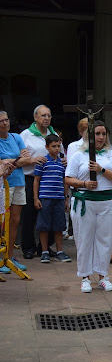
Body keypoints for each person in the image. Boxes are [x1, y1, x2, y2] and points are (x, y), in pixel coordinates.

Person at [65, 121, 112, 293]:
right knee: (84, 239)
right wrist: (83, 183)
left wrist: (101, 169)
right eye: (97, 134)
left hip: (107, 201)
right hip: (85, 200)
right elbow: (68, 179)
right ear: (89, 136)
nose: (100, 137)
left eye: (103, 134)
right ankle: (85, 277)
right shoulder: (78, 155)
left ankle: (103, 276)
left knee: (106, 239)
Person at [20, 105, 60, 262]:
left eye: (49, 115)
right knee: (30, 214)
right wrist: (32, 159)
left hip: (50, 180)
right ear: (35, 117)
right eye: (43, 115)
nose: (46, 118)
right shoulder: (25, 135)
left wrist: (62, 159)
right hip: (31, 178)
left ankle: (44, 247)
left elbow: (60, 152)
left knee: (49, 214)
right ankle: (28, 248)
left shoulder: (53, 133)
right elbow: (17, 159)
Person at [33, 134, 71, 264]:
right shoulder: (43, 161)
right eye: (53, 146)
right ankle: (44, 252)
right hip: (45, 198)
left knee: (58, 226)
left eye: (58, 146)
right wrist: (36, 198)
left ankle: (59, 251)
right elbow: (36, 180)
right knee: (44, 226)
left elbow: (65, 181)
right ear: (47, 147)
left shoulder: (63, 163)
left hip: (59, 198)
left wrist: (66, 198)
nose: (56, 149)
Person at [0, 111, 28, 273]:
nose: (5, 123)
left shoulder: (16, 137)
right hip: (3, 185)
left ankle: (9, 256)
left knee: (15, 220)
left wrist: (8, 161)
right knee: (2, 221)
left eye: (6, 119)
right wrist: (18, 158)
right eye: (1, 121)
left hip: (18, 182)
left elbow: (28, 159)